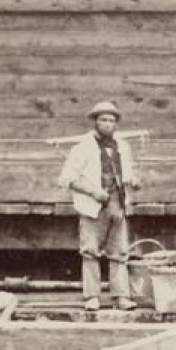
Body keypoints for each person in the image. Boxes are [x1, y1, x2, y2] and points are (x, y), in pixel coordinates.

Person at [59, 101, 139, 312]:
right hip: (93, 207)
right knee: (90, 252)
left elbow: (127, 173)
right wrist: (93, 191)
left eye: (112, 120)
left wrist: (133, 181)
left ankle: (121, 297)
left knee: (119, 252)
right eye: (103, 119)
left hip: (117, 204)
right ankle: (92, 297)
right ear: (95, 122)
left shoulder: (122, 147)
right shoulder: (82, 148)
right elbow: (67, 179)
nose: (108, 124)